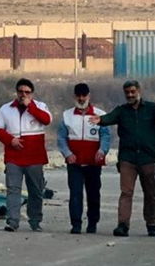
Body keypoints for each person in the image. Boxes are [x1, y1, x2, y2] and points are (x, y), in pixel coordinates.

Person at [90, 79, 155, 237]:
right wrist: (100, 120)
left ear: (138, 91)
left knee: (150, 192)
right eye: (127, 92)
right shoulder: (122, 110)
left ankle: (151, 224)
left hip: (147, 158)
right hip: (127, 159)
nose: (130, 95)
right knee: (126, 192)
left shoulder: (151, 108)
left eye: (132, 92)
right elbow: (109, 117)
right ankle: (123, 225)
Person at [0, 78, 52, 232]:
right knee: (13, 189)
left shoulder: (40, 106)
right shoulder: (6, 109)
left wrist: (30, 107)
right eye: (20, 92)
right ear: (16, 92)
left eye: (27, 92)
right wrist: (10, 140)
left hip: (34, 158)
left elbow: (47, 120)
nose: (23, 95)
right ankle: (12, 221)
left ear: (32, 94)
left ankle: (35, 221)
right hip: (14, 157)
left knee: (36, 191)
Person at [57, 82, 111, 234]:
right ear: (74, 96)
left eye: (84, 95)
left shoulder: (100, 115)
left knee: (93, 194)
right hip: (74, 162)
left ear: (89, 96)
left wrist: (102, 150)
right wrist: (67, 153)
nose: (81, 98)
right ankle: (76, 224)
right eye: (78, 95)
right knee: (75, 193)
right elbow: (61, 138)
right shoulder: (66, 115)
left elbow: (106, 135)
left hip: (94, 162)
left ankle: (93, 222)